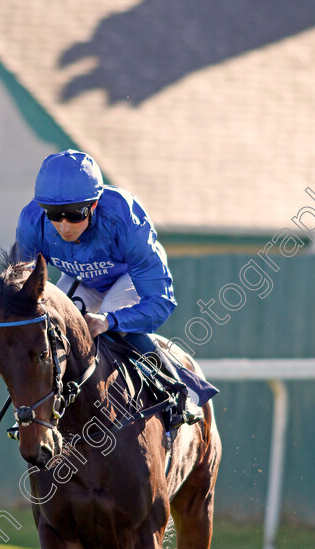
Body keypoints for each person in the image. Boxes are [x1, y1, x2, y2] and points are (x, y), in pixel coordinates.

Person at [14, 149, 218, 424]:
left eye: (74, 214)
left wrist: (110, 321)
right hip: (81, 279)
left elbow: (161, 303)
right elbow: (22, 291)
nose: (63, 226)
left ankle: (180, 389)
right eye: (54, 214)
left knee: (107, 319)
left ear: (94, 205)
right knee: (54, 327)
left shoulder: (124, 216)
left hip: (128, 276)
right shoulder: (31, 220)